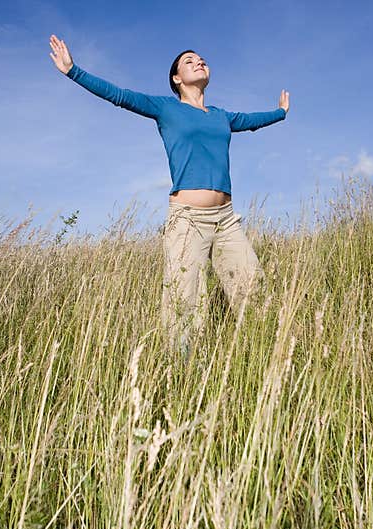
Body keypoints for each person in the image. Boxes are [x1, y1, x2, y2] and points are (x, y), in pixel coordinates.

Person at [49, 34, 290, 360]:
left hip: (227, 220)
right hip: (188, 218)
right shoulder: (166, 108)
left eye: (201, 58)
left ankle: (269, 361)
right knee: (184, 302)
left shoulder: (220, 115)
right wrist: (73, 71)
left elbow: (250, 122)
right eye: (189, 61)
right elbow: (120, 95)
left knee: (254, 289)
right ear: (177, 78)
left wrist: (280, 112)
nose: (199, 61)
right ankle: (181, 374)